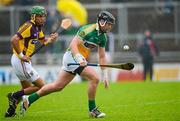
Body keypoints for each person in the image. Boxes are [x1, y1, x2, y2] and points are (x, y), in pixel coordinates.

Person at [20, 11, 115, 118]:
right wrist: (79, 58)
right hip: (71, 57)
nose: (110, 27)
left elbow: (102, 57)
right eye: (108, 24)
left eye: (111, 25)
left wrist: (105, 75)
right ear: (102, 22)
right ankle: (92, 110)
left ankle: (28, 99)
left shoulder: (103, 37)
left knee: (57, 86)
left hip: (77, 60)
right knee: (95, 78)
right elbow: (74, 43)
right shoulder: (88, 30)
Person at [4, 6, 58, 117]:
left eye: (44, 16)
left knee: (26, 89)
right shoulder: (29, 26)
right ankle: (14, 95)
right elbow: (14, 39)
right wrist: (21, 56)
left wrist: (51, 39)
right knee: (42, 87)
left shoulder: (38, 28)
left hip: (23, 61)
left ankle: (10, 112)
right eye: (40, 16)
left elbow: (44, 41)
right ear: (33, 16)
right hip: (21, 61)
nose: (43, 18)